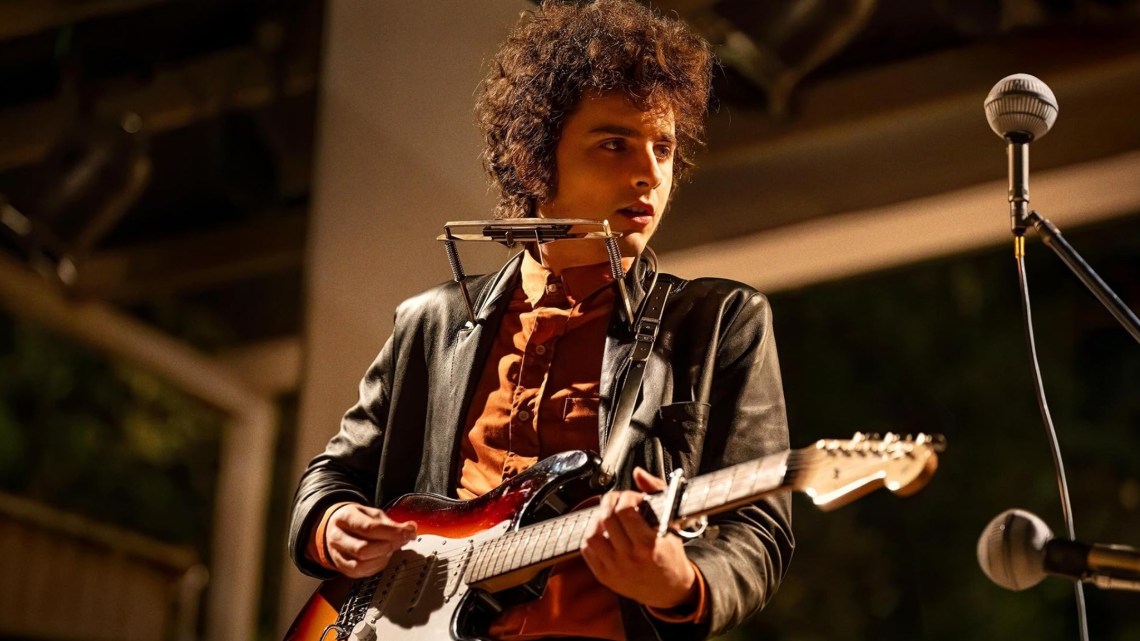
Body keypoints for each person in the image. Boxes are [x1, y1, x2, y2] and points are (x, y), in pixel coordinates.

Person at [287, 1, 793, 639]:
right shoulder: (431, 322)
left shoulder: (719, 322)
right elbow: (334, 477)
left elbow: (758, 533)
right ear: (535, 156)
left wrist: (679, 581)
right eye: (615, 144)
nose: (650, 173)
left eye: (663, 148)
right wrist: (333, 525)